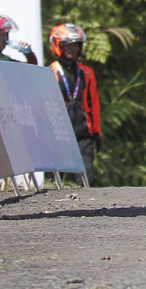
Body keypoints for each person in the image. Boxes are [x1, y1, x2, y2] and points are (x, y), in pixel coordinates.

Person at [48, 23, 102, 184]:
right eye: (68, 45)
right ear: (58, 45)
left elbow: (94, 104)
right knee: (52, 181)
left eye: (75, 45)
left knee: (87, 178)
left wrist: (97, 132)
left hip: (82, 133)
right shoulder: (49, 72)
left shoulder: (87, 73)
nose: (72, 49)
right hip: (56, 134)